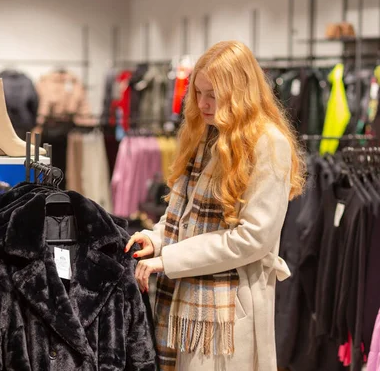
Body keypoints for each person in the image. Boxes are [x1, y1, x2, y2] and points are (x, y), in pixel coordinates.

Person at [125, 40, 306, 371]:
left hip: (227, 313)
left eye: (213, 94)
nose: (203, 103)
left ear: (239, 93)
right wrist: (157, 237)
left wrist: (170, 258)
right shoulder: (205, 135)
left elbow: (252, 239)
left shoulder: (268, 144)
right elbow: (182, 215)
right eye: (198, 92)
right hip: (184, 302)